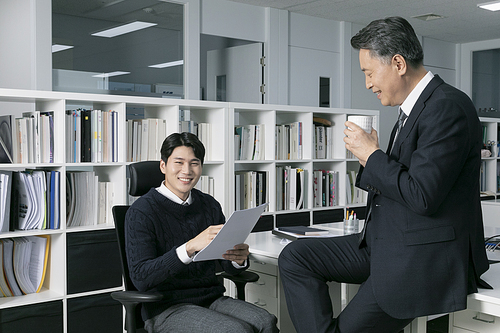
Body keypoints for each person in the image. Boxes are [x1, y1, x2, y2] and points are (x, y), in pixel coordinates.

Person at [278, 16, 490, 333]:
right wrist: (373, 158)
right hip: (385, 242)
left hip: (421, 259)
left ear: (398, 63)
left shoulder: (447, 107)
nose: (367, 83)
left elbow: (422, 195)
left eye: (369, 72)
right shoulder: (413, 109)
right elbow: (404, 180)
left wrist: (372, 155)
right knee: (295, 257)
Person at [125, 132, 278, 333]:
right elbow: (142, 278)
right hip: (166, 308)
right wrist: (189, 248)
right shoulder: (141, 212)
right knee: (235, 330)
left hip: (211, 298)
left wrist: (237, 260)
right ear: (163, 166)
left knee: (266, 321)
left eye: (194, 163)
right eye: (178, 162)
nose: (186, 171)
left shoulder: (208, 205)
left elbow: (227, 266)